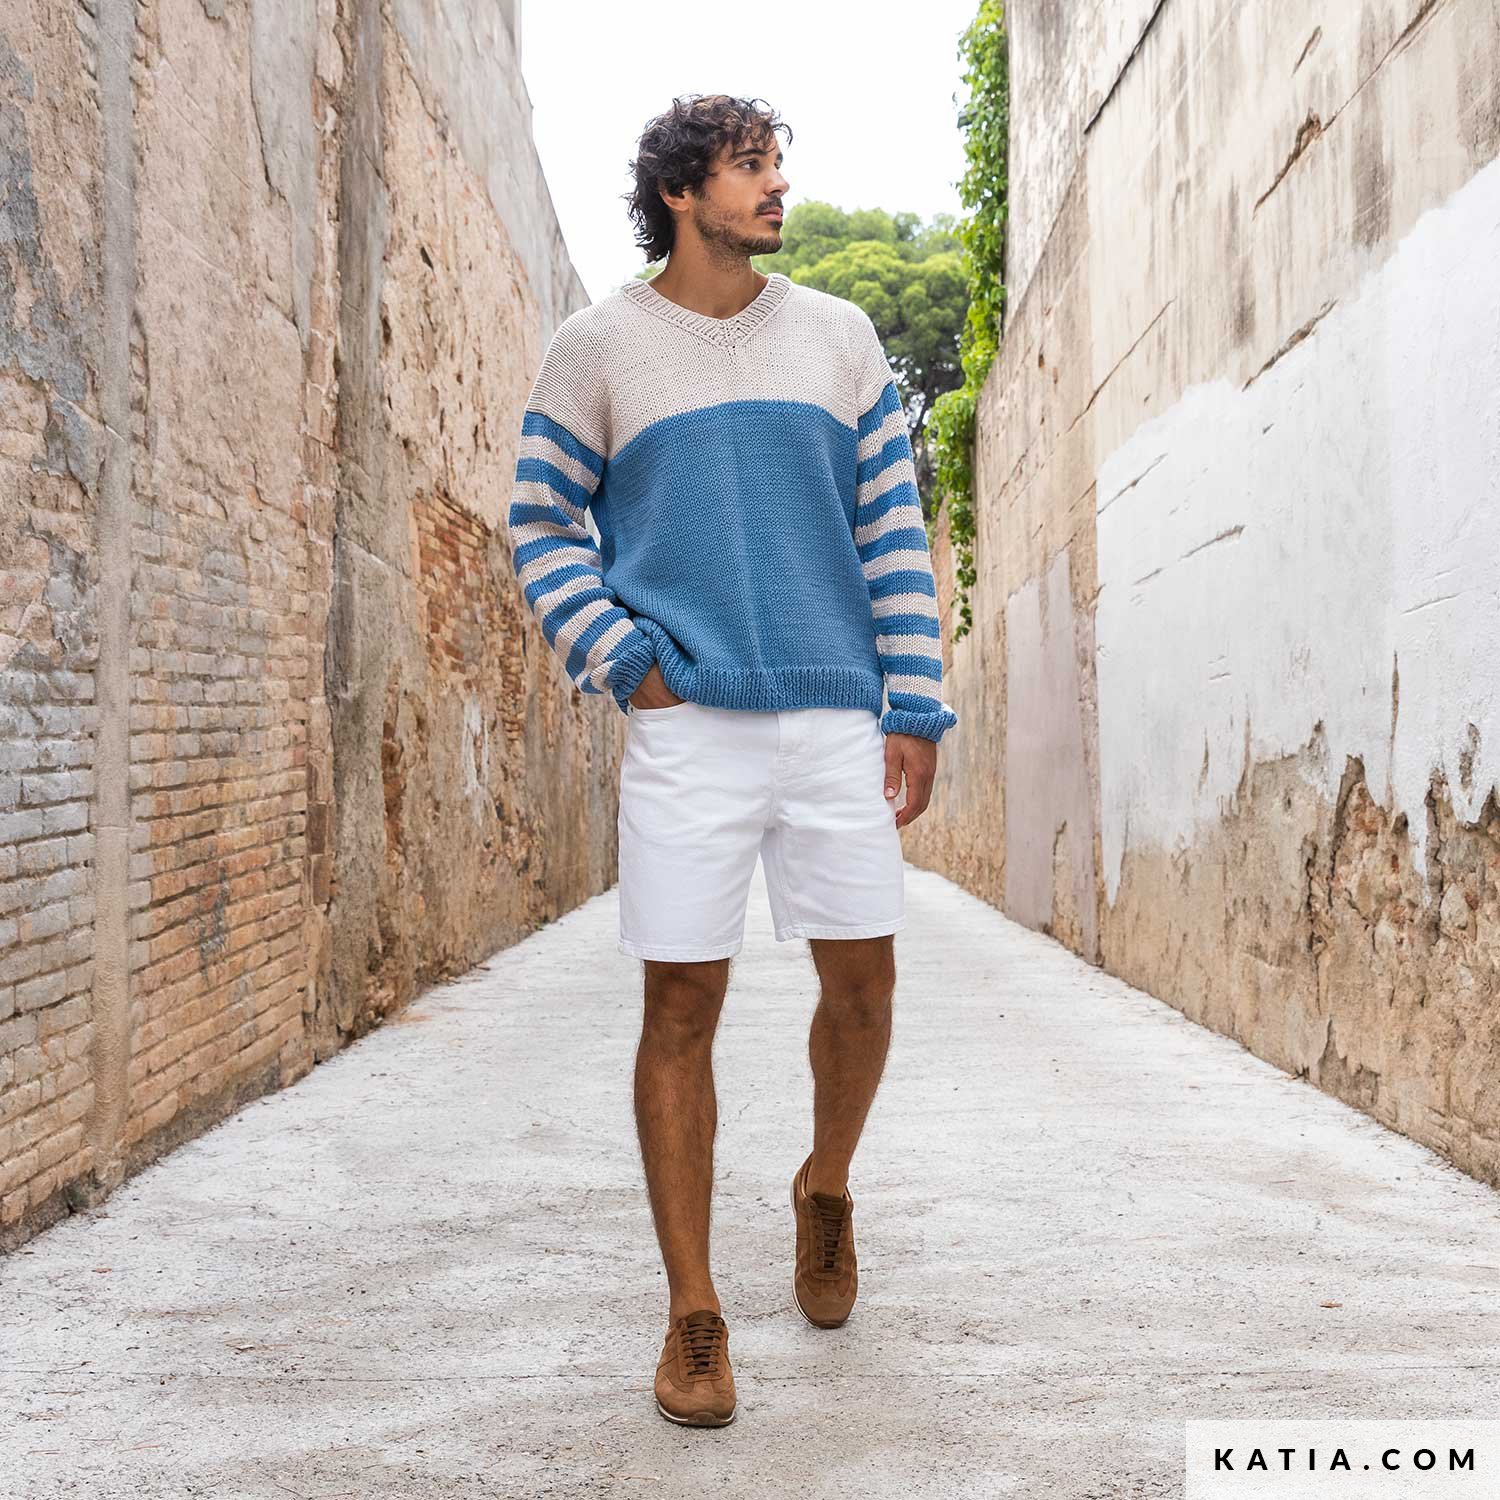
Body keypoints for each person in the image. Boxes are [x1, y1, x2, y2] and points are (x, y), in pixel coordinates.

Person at [505, 93, 958, 1428]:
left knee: (864, 983)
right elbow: (540, 521)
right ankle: (692, 1313)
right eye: (750, 167)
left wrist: (915, 703)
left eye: (777, 166)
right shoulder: (598, 348)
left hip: (834, 716)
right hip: (687, 723)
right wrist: (623, 656)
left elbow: (891, 529)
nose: (776, 188)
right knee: (680, 1007)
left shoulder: (840, 337)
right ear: (681, 192)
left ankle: (825, 1186)